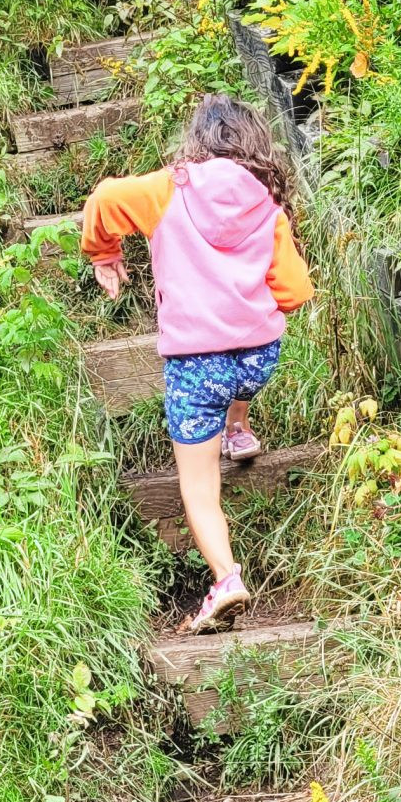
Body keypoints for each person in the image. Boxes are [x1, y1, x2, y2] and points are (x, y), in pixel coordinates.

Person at [81, 94, 314, 633]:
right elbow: (296, 289)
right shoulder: (266, 205)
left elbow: (103, 201)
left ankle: (227, 578)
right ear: (253, 144)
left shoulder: (168, 189)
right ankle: (240, 426)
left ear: (196, 143)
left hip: (195, 367)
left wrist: (104, 254)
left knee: (199, 489)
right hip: (258, 359)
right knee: (239, 378)